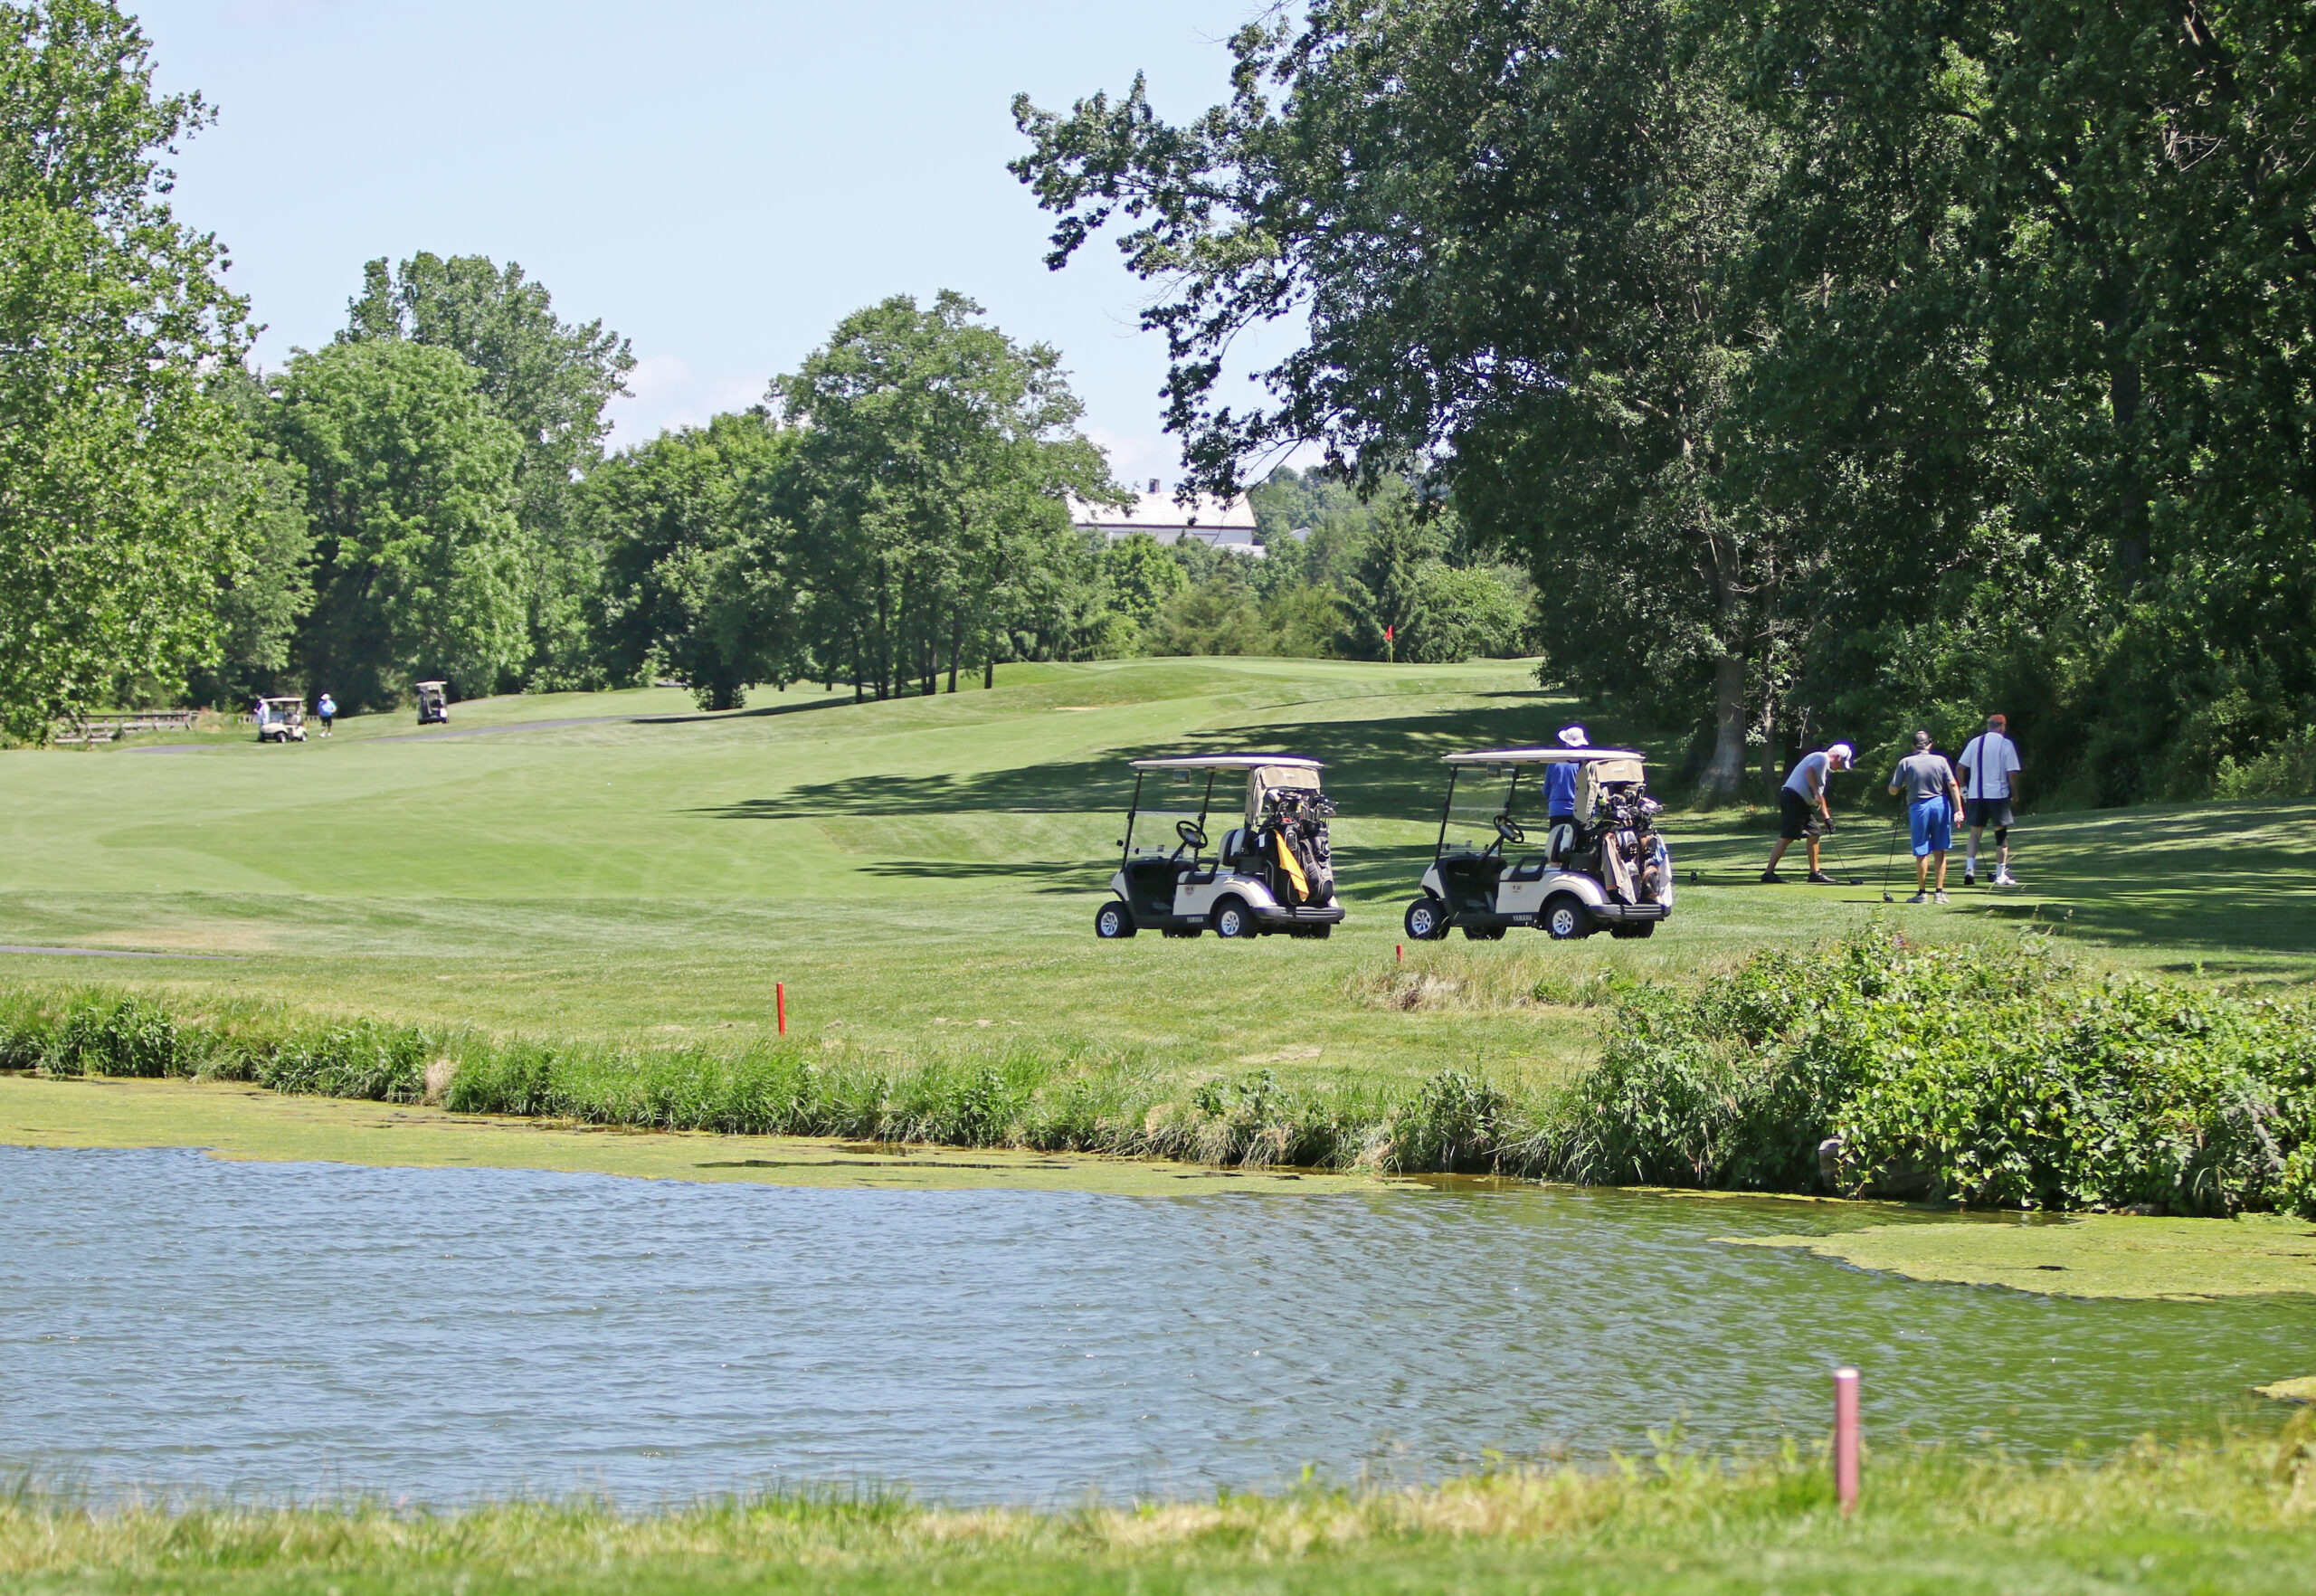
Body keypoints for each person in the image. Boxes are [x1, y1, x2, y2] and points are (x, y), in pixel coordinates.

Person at [1887, 729, 1964, 904]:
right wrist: (1958, 809)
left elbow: (1893, 789)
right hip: (1940, 804)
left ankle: (1922, 893)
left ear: (1913, 746)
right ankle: (1940, 893)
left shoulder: (1905, 762)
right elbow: (1952, 784)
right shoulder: (1941, 761)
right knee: (1940, 849)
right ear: (1930, 745)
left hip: (1918, 806)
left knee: (1921, 850)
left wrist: (1897, 789)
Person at [1761, 743, 1855, 884]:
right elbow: (1809, 772)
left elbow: (1820, 796)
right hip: (1793, 798)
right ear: (1837, 757)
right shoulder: (1821, 758)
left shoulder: (1823, 765)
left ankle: (1814, 873)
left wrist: (1827, 818)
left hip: (1800, 802)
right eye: (1841, 763)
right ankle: (1768, 873)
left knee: (1814, 832)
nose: (1840, 767)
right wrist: (1816, 793)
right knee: (1788, 836)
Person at [1957, 711, 2023, 887]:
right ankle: (2001, 874)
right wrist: (2015, 793)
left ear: (1988, 726)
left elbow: (1960, 767)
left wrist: (1964, 789)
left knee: (1975, 833)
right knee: (2001, 834)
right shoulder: (2005, 744)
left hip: (1976, 795)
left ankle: (1969, 868)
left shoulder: (1975, 743)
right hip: (1998, 795)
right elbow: (2012, 774)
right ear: (2002, 727)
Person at [1543, 726, 1585, 857]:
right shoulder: (1583, 764)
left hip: (1556, 810)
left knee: (1556, 849)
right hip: (1579, 811)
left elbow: (1546, 790)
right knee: (1577, 849)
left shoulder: (1554, 762)